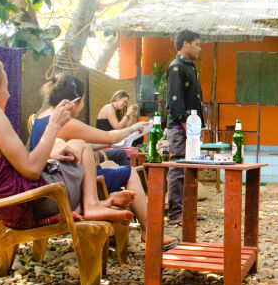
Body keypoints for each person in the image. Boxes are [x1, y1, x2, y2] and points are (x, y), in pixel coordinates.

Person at [0, 57, 133, 228]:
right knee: (80, 146)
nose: (9, 95)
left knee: (72, 150)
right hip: (34, 202)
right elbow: (32, 171)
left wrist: (50, 154)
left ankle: (96, 204)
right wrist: (54, 125)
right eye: (6, 87)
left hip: (2, 207)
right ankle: (93, 204)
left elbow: (9, 166)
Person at [31, 73, 175, 244]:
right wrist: (134, 128)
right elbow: (110, 136)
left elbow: (86, 146)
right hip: (68, 183)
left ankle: (112, 203)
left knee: (105, 158)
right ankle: (149, 231)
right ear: (73, 102)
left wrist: (110, 143)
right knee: (129, 172)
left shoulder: (41, 116)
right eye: (82, 100)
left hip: (55, 180)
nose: (83, 105)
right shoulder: (64, 121)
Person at [165, 29, 206, 225]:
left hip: (192, 130)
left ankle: (189, 209)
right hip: (181, 129)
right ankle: (175, 213)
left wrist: (196, 132)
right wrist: (189, 130)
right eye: (197, 44)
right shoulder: (176, 67)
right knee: (179, 168)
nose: (200, 48)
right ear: (185, 44)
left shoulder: (190, 67)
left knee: (192, 168)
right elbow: (175, 102)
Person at [95, 90, 139, 166]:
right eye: (124, 101)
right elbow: (117, 127)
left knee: (138, 138)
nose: (125, 105)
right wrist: (127, 114)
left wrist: (131, 117)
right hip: (104, 142)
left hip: (111, 141)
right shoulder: (108, 107)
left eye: (126, 103)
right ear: (117, 98)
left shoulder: (116, 111)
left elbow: (123, 129)